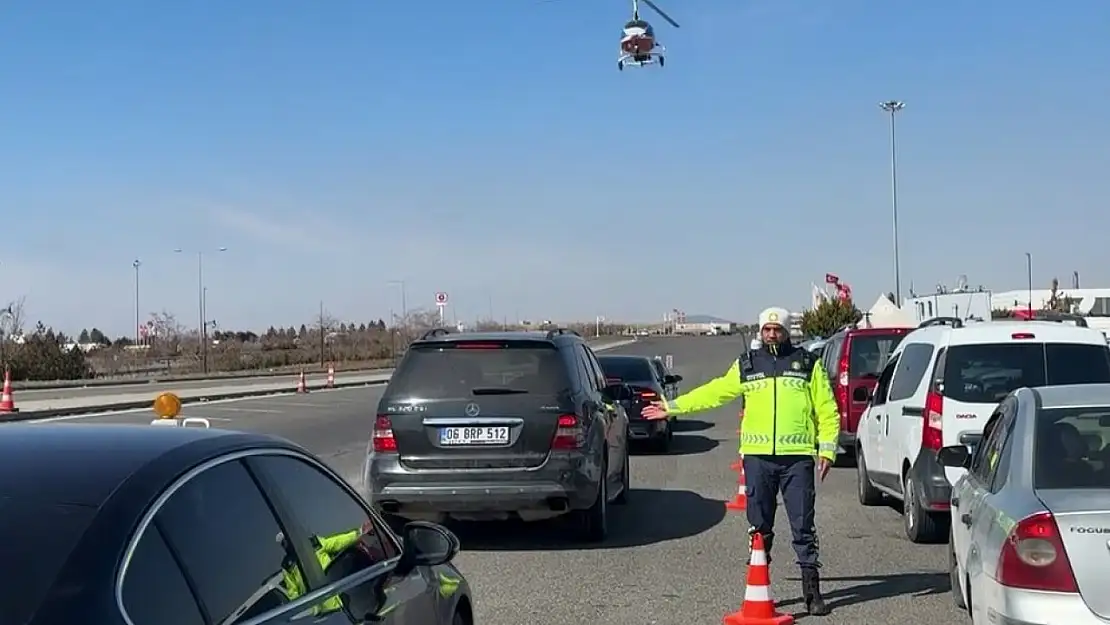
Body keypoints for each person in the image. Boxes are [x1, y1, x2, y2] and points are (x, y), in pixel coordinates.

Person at [641, 306, 840, 616]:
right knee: (759, 527)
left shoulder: (807, 364)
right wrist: (673, 406)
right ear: (761, 332)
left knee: (803, 526)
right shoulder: (747, 364)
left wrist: (827, 450)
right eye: (767, 329)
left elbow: (827, 408)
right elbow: (716, 392)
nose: (772, 334)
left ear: (787, 332)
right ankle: (760, 586)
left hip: (797, 460)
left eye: (778, 329)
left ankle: (812, 592)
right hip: (758, 460)